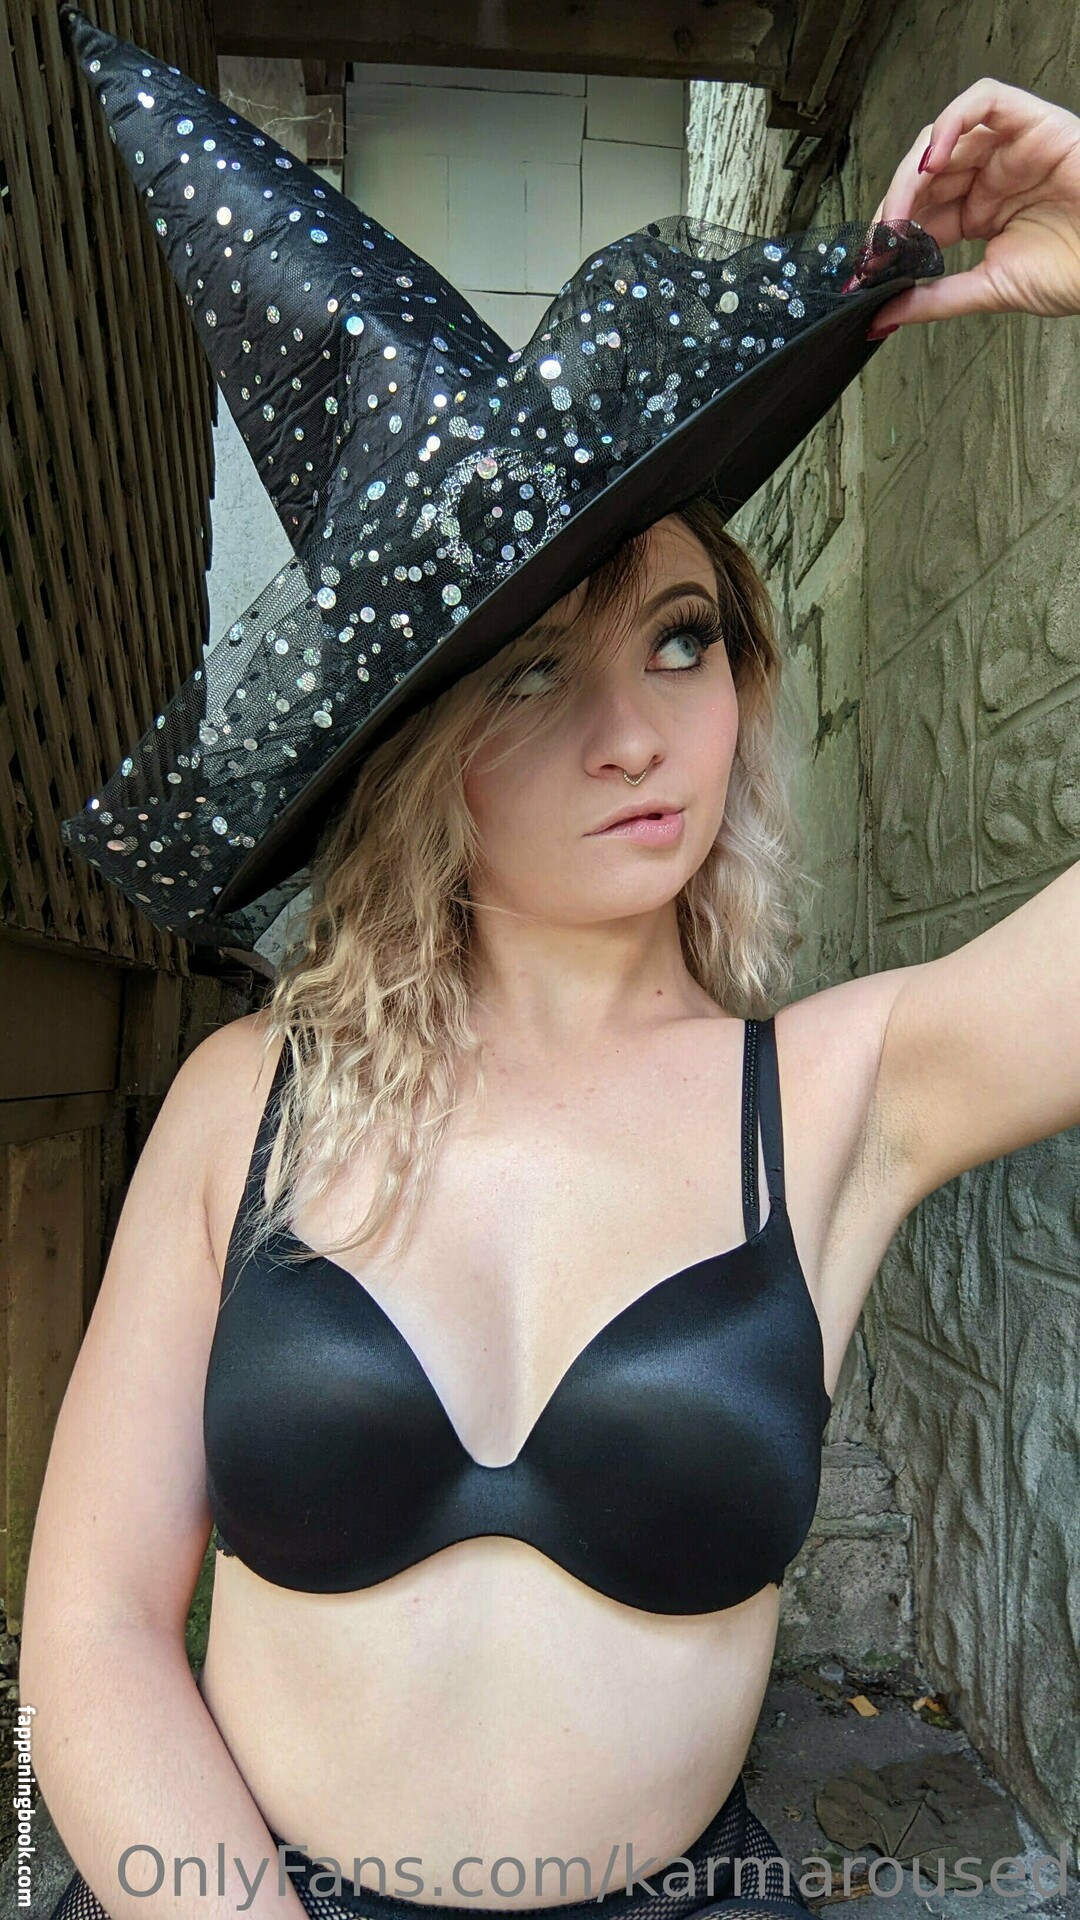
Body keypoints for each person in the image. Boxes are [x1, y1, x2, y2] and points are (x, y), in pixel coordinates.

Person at [21, 33, 1080, 1920]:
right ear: (417, 752)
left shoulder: (845, 1092)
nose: (635, 735)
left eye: (681, 638)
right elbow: (95, 1621)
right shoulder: (248, 1102)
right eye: (530, 667)